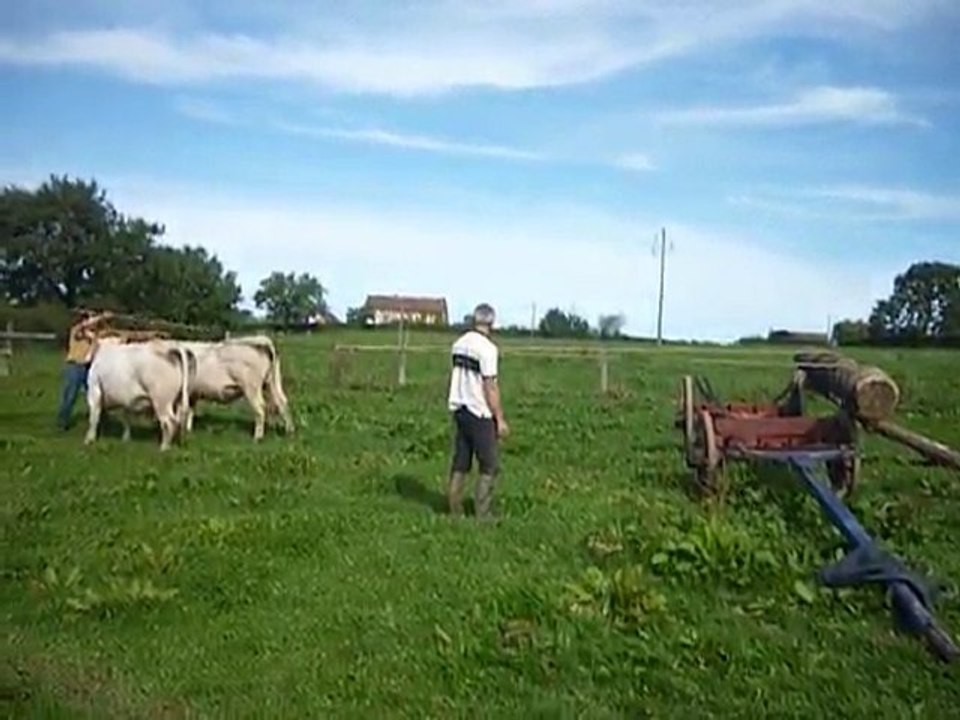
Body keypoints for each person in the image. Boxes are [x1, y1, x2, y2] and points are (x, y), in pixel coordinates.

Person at [446, 302, 509, 520]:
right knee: (489, 464)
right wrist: (499, 419)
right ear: (491, 322)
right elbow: (489, 386)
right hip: (479, 412)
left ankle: (454, 508)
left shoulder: (459, 344)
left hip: (459, 408)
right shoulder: (488, 349)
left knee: (461, 461)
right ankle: (483, 514)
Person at [57, 308, 113, 430]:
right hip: (75, 366)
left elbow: (111, 334)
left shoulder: (96, 335)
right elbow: (84, 326)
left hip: (90, 368)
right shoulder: (77, 330)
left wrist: (106, 321)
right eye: (90, 318)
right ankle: (62, 421)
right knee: (70, 395)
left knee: (97, 396)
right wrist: (102, 316)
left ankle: (102, 422)